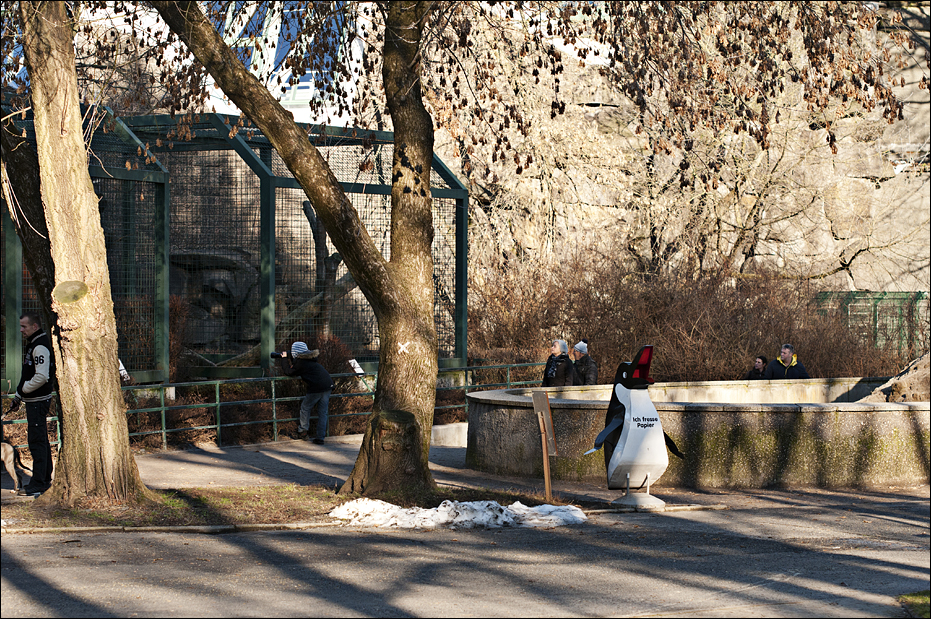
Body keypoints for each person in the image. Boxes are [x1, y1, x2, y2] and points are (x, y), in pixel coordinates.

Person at [7, 312, 56, 496]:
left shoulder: (40, 346)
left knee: (37, 442)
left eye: (24, 326)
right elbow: (30, 375)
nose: (21, 330)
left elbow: (42, 377)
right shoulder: (35, 344)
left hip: (38, 402)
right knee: (40, 440)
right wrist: (18, 396)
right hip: (33, 400)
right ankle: (43, 479)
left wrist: (25, 389)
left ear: (34, 327)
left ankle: (38, 483)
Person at [276, 341, 334, 444]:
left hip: (317, 387)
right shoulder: (310, 359)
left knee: (305, 408)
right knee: (323, 413)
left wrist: (284, 358)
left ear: (295, 353)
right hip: (328, 385)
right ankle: (320, 438)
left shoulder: (301, 363)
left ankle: (303, 431)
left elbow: (289, 372)